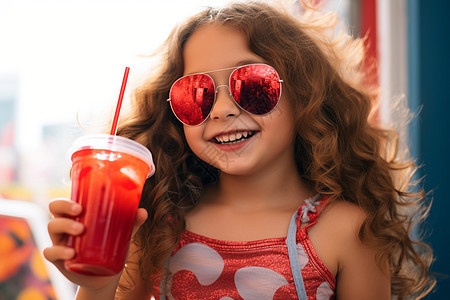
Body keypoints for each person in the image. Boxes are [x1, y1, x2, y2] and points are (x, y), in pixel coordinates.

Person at [44, 1, 435, 299]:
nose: (224, 109)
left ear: (304, 93)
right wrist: (97, 285)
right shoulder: (157, 223)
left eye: (252, 83)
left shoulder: (350, 231)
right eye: (196, 94)